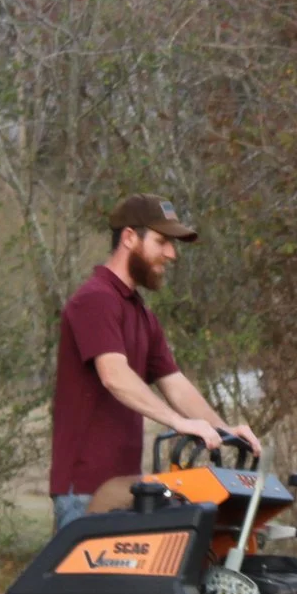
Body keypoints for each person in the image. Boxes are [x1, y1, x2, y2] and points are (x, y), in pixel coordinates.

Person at [49, 194, 261, 532]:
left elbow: (175, 384)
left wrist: (223, 430)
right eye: (162, 242)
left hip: (126, 488)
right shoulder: (95, 300)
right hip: (85, 491)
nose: (171, 254)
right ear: (129, 238)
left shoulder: (141, 314)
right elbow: (114, 375)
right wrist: (179, 422)